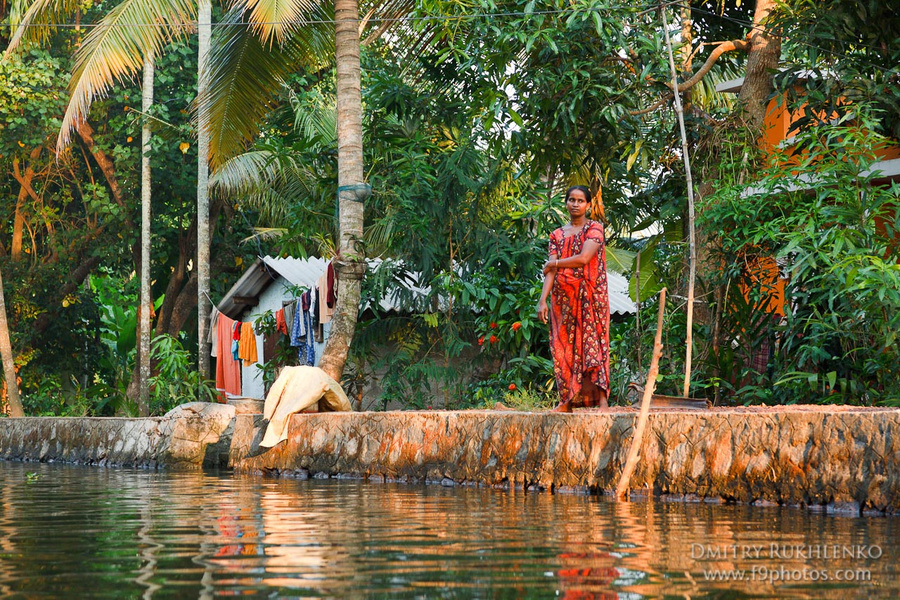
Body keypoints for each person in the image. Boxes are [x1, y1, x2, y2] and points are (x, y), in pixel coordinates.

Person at [536, 185, 611, 412]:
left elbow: (584, 258)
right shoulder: (556, 235)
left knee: (594, 347)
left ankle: (602, 401)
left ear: (588, 205)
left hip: (591, 299)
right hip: (563, 300)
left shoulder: (595, 229)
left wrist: (555, 263)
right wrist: (542, 301)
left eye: (580, 200)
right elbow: (550, 272)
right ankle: (567, 402)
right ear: (566, 202)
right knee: (565, 347)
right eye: (571, 200)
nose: (575, 204)